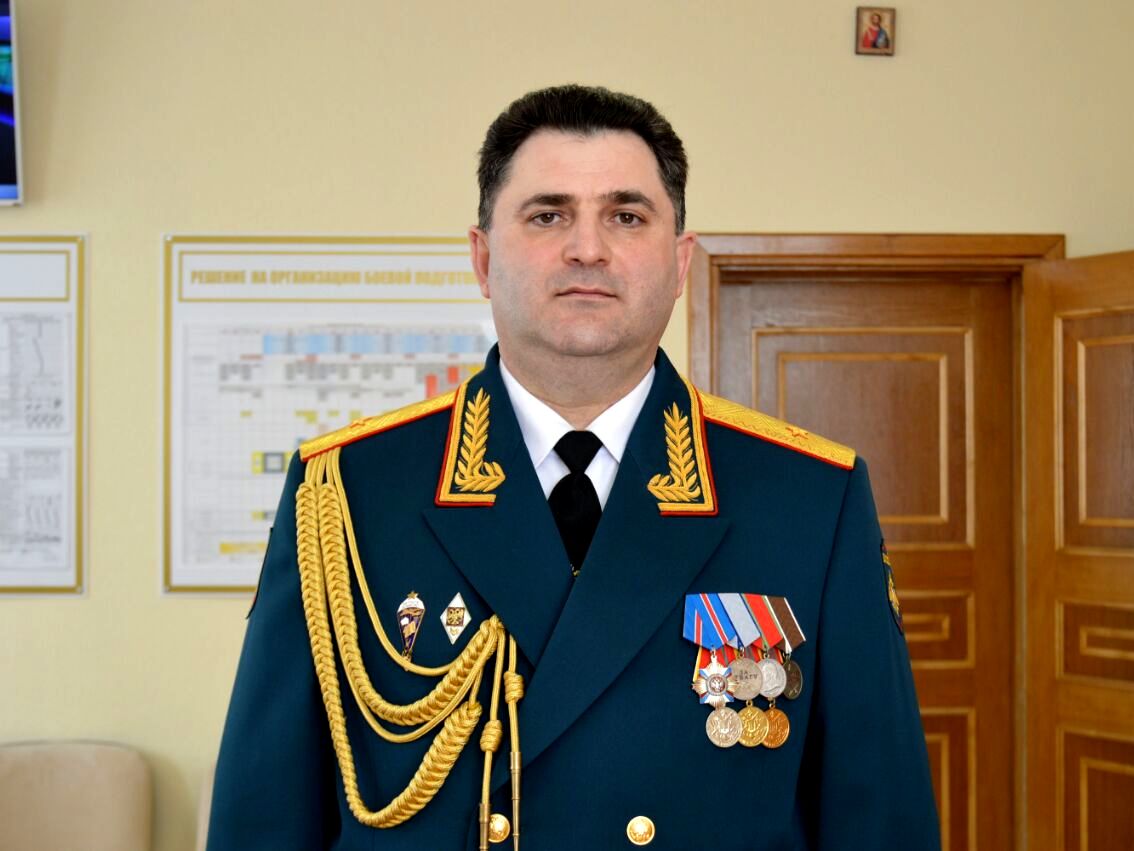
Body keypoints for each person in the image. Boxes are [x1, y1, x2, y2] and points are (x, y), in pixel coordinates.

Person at [208, 84, 940, 850]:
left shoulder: (810, 498)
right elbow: (263, 820)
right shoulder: (348, 493)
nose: (587, 248)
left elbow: (880, 821)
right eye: (547, 215)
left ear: (680, 261)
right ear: (483, 258)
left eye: (626, 216)